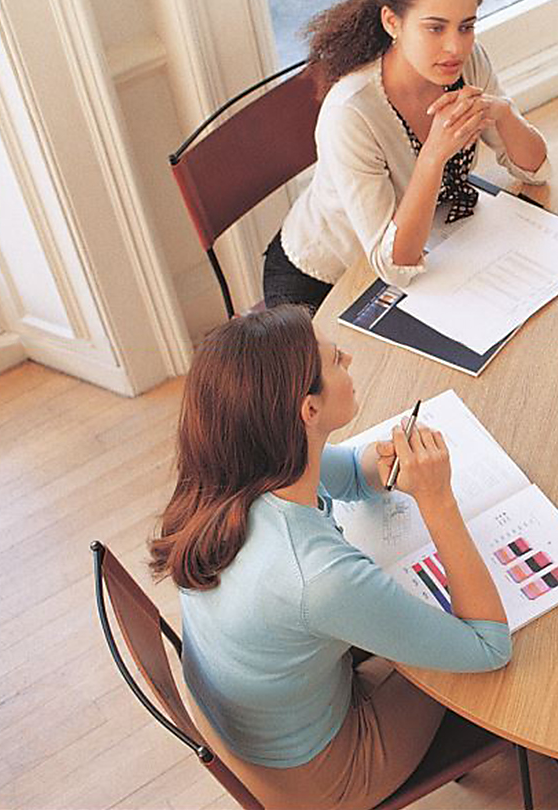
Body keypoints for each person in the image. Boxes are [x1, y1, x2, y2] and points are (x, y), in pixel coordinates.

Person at [149, 306, 511, 810]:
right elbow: (488, 645)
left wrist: (384, 463)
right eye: (337, 360)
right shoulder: (317, 577)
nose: (350, 359)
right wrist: (438, 501)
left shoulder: (239, 466)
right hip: (321, 776)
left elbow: (351, 475)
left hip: (255, 721)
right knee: (501, 655)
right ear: (309, 412)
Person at [264, 0, 550, 310]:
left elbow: (536, 171)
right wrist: (434, 154)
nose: (455, 47)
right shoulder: (350, 113)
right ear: (392, 22)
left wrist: (504, 114)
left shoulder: (468, 63)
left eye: (466, 27)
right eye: (435, 28)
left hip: (422, 247)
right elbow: (394, 266)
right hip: (325, 279)